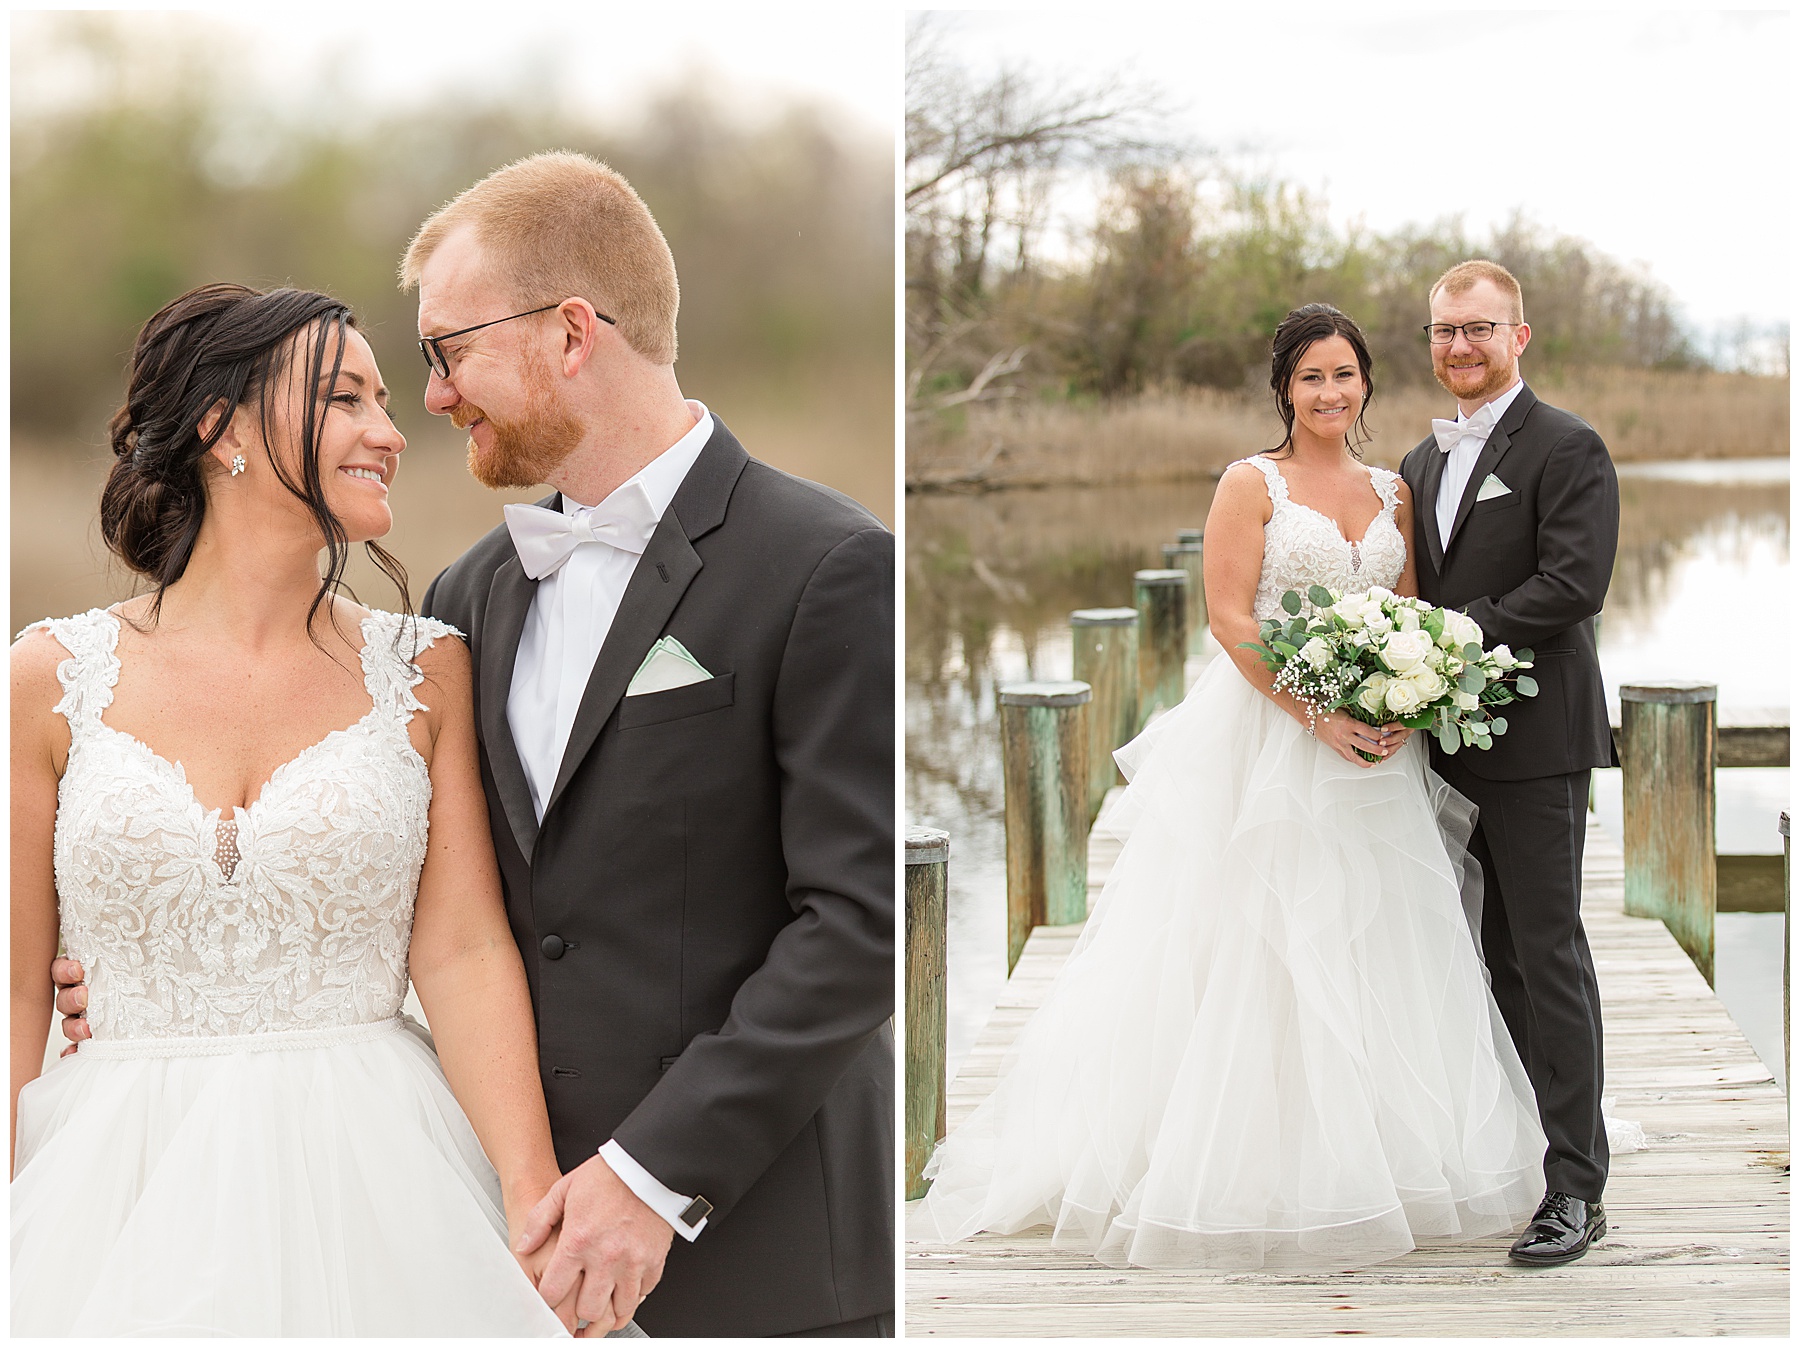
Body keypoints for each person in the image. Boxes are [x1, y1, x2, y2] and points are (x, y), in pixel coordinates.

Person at [12, 284, 635, 1335]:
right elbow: (12, 985)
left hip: (379, 1168)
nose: (391, 433)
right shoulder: (48, 675)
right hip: (112, 1174)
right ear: (221, 430)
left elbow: (465, 955)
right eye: (346, 400)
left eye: (387, 401)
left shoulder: (427, 669)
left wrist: (533, 1198)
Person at [908, 303, 1545, 1272]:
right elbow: (1230, 618)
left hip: (1377, 746)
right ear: (1284, 390)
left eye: (1345, 375)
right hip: (1275, 735)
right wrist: (1317, 709)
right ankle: (1254, 1159)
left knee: (1378, 933)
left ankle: (1380, 1151)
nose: (1330, 393)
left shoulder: (1394, 490)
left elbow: (1410, 610)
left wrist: (1400, 692)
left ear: (1366, 383)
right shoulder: (1251, 485)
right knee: (1264, 938)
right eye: (1311, 378)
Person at [408, 152, 894, 1336]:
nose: (435, 395)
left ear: (571, 333)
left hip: (765, 1257)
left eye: (448, 349)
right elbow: (438, 903)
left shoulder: (829, 564)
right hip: (516, 1248)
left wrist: (650, 1177)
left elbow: (860, 924)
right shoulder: (465, 594)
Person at [1398, 260, 1619, 1266]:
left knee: (1547, 952)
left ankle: (1578, 1186)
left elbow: (1572, 583)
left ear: (1519, 337)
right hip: (1441, 746)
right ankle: (1521, 1149)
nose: (1460, 347)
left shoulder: (1569, 446)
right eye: (1445, 333)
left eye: (1479, 329)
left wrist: (1453, 635)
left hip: (1536, 742)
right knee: (1483, 959)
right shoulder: (1416, 462)